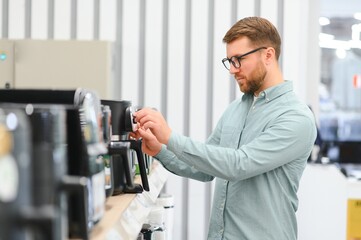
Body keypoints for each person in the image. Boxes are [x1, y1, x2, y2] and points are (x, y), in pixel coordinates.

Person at [131, 16, 317, 240]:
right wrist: (159, 149)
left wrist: (170, 137)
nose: (232, 70)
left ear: (268, 55)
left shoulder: (296, 117)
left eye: (238, 59)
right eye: (229, 61)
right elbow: (204, 168)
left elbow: (238, 165)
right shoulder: (235, 110)